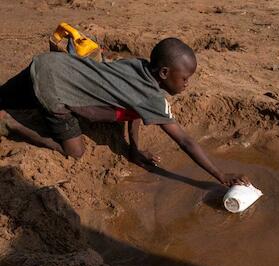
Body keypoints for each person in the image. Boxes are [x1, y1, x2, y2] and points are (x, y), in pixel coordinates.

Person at [0, 37, 249, 187]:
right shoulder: (152, 97)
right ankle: (10, 124)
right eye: (184, 78)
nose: (187, 84)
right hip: (55, 89)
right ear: (164, 74)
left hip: (48, 64)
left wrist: (134, 148)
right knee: (74, 152)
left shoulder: (140, 65)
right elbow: (184, 140)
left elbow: (133, 109)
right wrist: (220, 174)